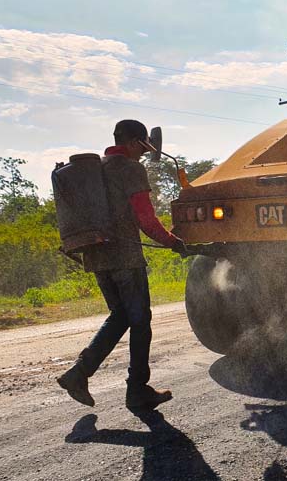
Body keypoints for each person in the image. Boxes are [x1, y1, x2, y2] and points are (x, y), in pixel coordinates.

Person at [57, 119, 187, 410]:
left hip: (97, 256)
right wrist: (172, 242)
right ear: (132, 142)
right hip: (125, 258)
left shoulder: (94, 170)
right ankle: (137, 390)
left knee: (120, 316)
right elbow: (145, 218)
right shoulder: (130, 169)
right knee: (141, 322)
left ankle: (78, 374)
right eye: (142, 146)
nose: (143, 153)